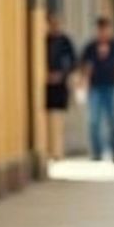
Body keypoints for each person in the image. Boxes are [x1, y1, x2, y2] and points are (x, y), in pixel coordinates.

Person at [81, 16, 114, 163]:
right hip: (95, 88)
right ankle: (97, 152)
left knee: (113, 120)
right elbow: (83, 67)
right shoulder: (90, 47)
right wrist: (84, 83)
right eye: (100, 29)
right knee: (94, 121)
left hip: (112, 87)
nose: (103, 32)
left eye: (105, 29)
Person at [44, 15, 77, 161]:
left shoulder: (65, 41)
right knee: (47, 117)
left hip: (61, 84)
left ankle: (58, 151)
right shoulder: (44, 40)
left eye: (57, 23)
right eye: (52, 23)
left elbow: (72, 62)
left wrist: (62, 75)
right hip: (46, 85)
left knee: (59, 117)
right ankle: (48, 150)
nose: (54, 26)